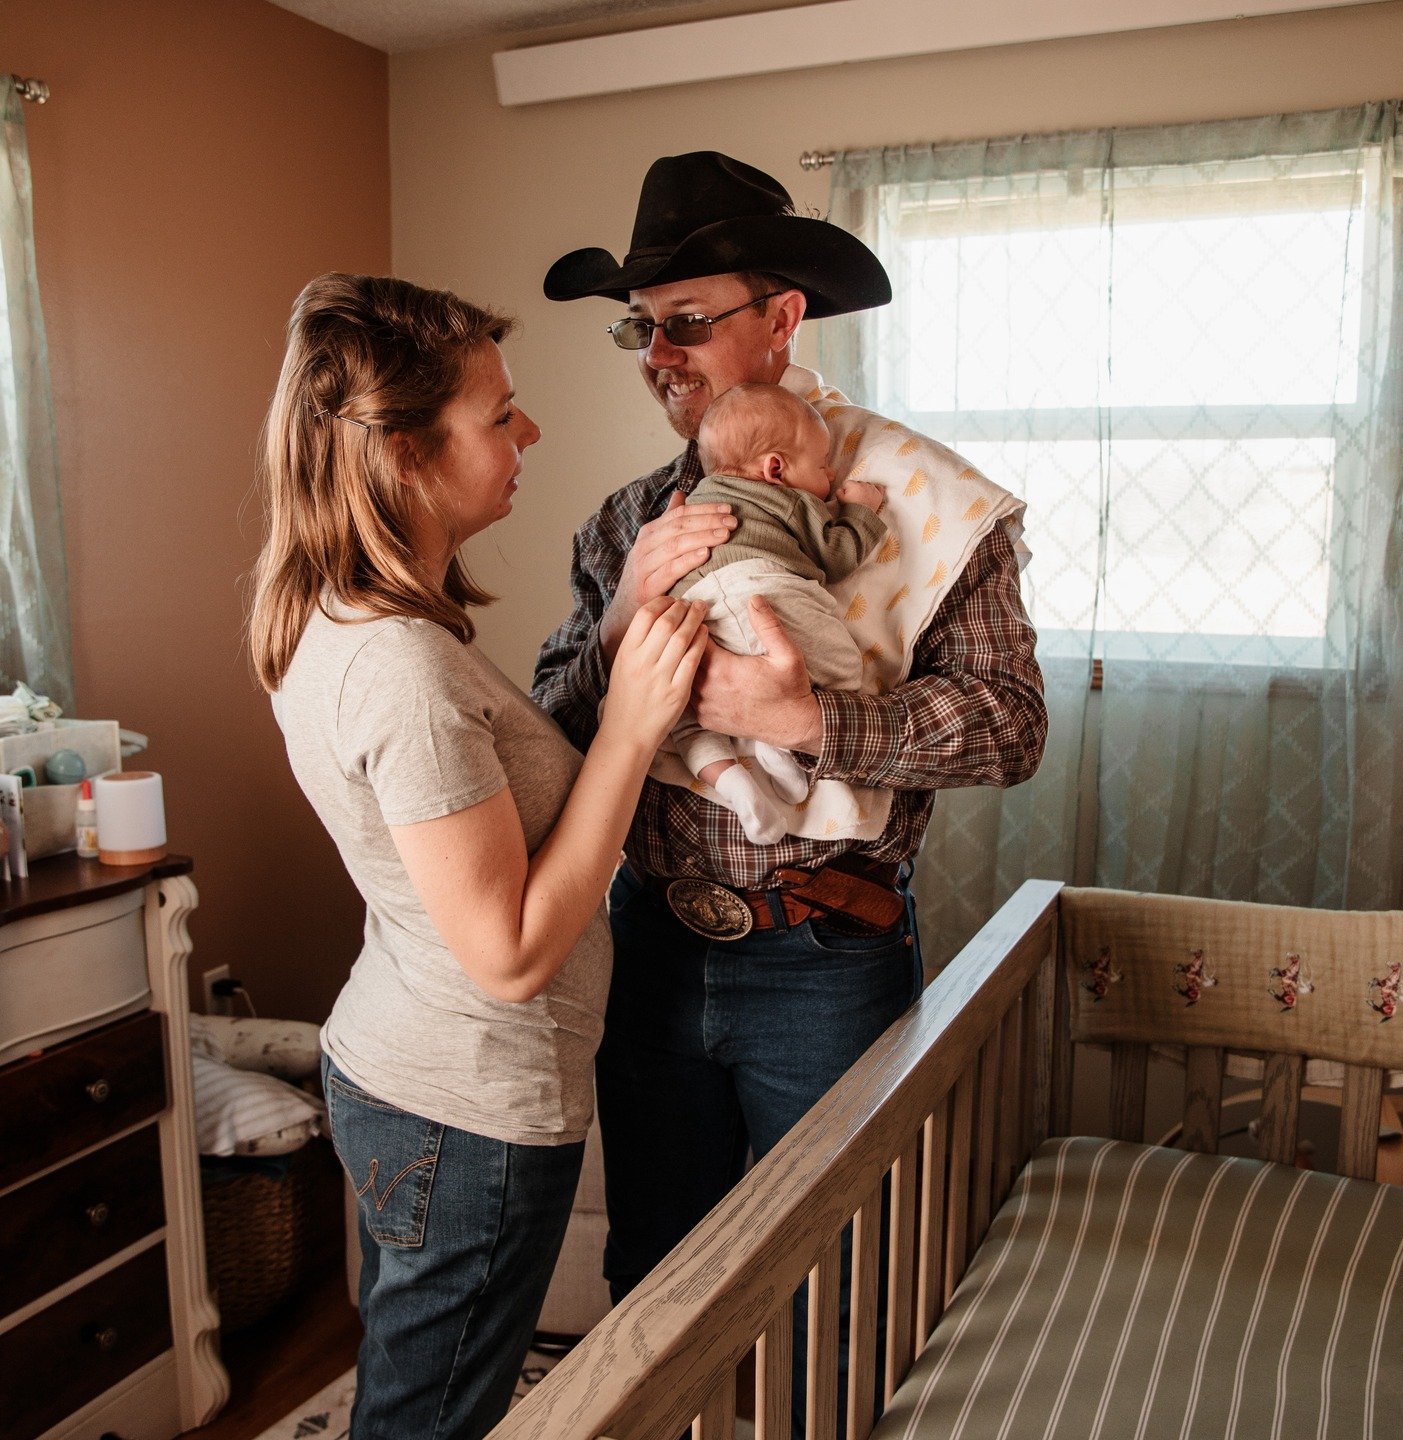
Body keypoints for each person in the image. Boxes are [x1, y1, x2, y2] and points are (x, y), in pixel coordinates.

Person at [535, 151, 1047, 1428]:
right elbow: (543, 735)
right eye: (642, 329)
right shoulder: (621, 523)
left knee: (841, 1275)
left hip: (827, 953)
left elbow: (1011, 728)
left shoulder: (930, 506)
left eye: (690, 322)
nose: (661, 353)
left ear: (782, 320)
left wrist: (812, 717)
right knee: (655, 1262)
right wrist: (614, 629)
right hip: (649, 945)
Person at [245, 273, 708, 1440]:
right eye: (499, 414)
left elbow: (500, 799)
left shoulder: (355, 616)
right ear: (405, 453)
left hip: (411, 1067)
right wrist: (637, 727)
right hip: (465, 1108)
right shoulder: (398, 666)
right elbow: (505, 954)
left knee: (424, 1387)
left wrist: (612, 641)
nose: (529, 432)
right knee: (429, 1416)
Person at [663, 381, 888, 844]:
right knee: (843, 668)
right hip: (763, 593)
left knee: (681, 716)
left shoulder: (693, 500)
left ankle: (733, 781)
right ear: (776, 469)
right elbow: (837, 556)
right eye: (823, 466)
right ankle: (775, 744)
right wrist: (861, 510)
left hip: (696, 613)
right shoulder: (790, 500)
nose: (827, 476)